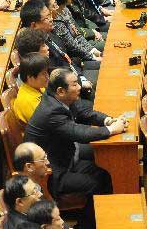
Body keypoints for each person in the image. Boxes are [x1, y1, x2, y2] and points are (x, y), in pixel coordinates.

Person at [23, 68, 125, 214]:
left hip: (66, 156)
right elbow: (79, 133)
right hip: (52, 173)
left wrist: (108, 120)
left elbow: (84, 112)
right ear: (61, 91)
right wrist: (111, 130)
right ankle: (89, 224)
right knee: (97, 184)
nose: (79, 87)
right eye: (75, 84)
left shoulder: (58, 98)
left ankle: (102, 218)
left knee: (104, 174)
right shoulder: (51, 111)